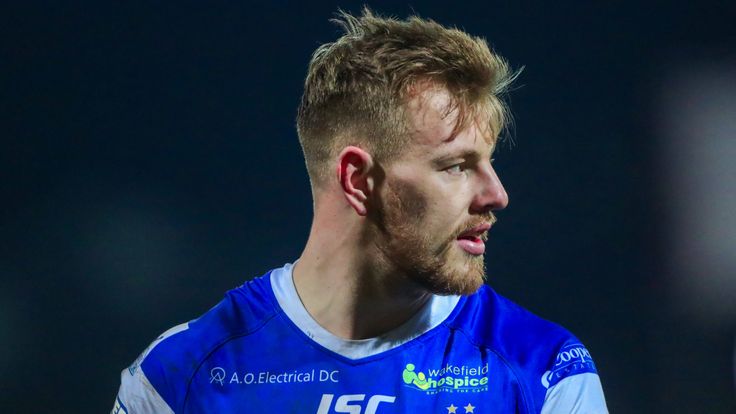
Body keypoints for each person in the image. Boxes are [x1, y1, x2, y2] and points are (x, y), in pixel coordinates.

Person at [112, 8, 608, 414]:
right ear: (357, 179)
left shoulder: (544, 373)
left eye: (489, 163)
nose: (496, 195)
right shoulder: (178, 379)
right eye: (457, 166)